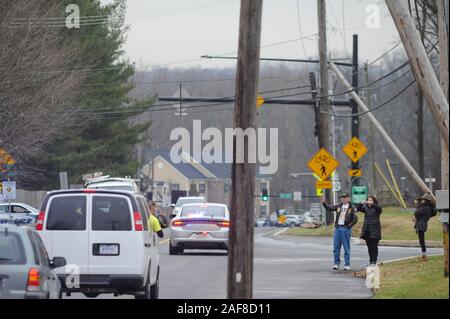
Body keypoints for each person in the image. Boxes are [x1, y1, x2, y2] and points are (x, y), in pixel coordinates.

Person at [321, 193, 358, 271]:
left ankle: (347, 264)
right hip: (338, 228)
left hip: (346, 228)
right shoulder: (338, 206)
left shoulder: (352, 207)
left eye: (345, 197)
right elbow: (329, 208)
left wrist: (349, 226)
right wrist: (324, 203)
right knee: (336, 247)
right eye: (342, 197)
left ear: (348, 198)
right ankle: (336, 263)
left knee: (346, 247)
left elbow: (355, 219)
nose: (343, 199)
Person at [356, 196, 382, 266]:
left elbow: (379, 209)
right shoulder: (366, 208)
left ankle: (374, 261)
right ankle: (371, 261)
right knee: (369, 246)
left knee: (374, 246)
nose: (369, 201)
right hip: (367, 230)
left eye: (371, 200)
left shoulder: (377, 208)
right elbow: (359, 209)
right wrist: (360, 203)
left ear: (374, 201)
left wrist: (372, 204)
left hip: (375, 230)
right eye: (368, 200)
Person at [412, 192, 437, 262]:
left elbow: (416, 212)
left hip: (421, 226)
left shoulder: (427, 208)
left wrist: (418, 204)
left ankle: (424, 255)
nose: (422, 201)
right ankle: (424, 255)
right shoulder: (427, 207)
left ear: (426, 200)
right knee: (421, 241)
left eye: (423, 200)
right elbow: (417, 214)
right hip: (421, 225)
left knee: (422, 241)